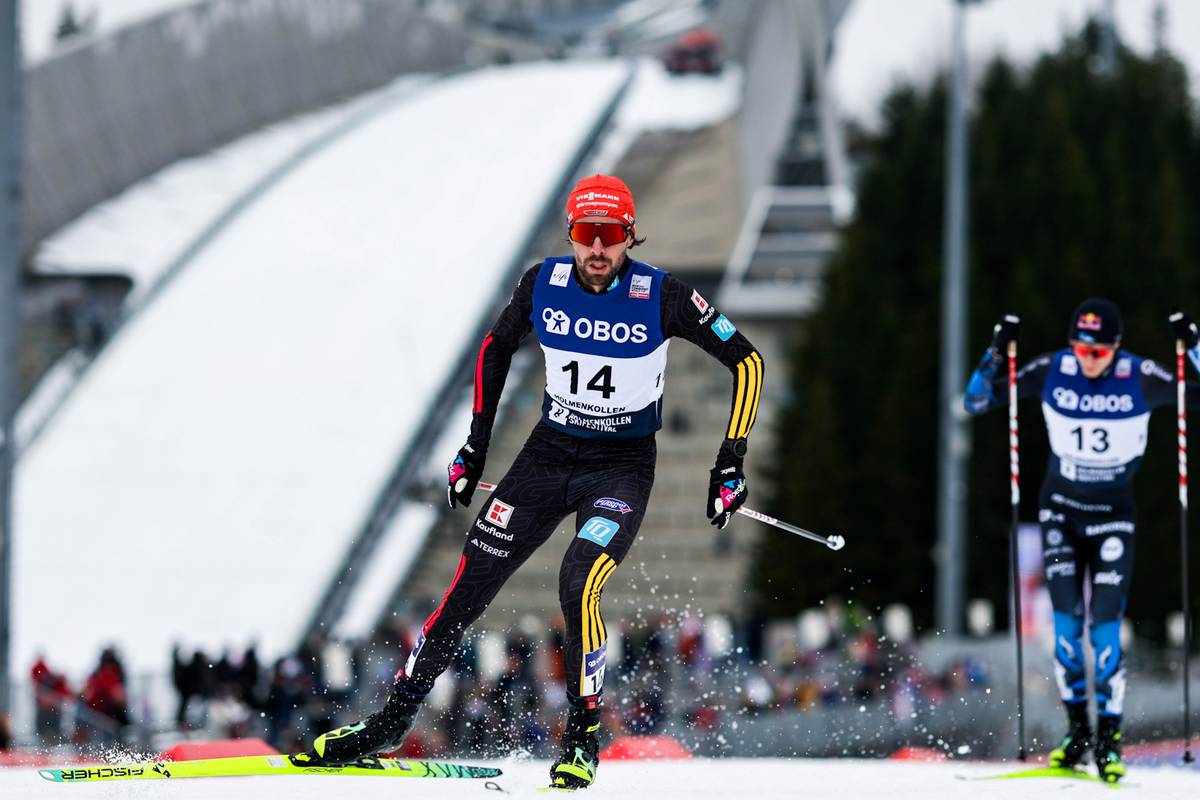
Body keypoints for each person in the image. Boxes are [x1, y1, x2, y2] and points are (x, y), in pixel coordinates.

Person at [307, 174, 765, 788]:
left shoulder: (662, 295)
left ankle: (582, 737)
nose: (597, 248)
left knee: (579, 580)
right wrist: (474, 447)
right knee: (466, 588)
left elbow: (747, 360)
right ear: (571, 234)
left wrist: (730, 461)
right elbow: (495, 348)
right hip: (546, 457)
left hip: (620, 468)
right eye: (586, 233)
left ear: (630, 236)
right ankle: (390, 723)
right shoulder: (542, 283)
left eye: (610, 235)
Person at [963, 299, 1200, 783]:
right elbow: (976, 401)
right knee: (1066, 630)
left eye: (1099, 351)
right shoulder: (1053, 369)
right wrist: (995, 352)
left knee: (1105, 630)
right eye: (1080, 348)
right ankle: (1077, 735)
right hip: (1060, 513)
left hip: (1113, 517)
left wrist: (1194, 347)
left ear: (1116, 347)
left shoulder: (1140, 376)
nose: (1088, 359)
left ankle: (1109, 741)